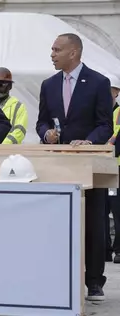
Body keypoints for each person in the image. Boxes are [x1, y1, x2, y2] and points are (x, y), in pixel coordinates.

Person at [36, 33, 113, 301]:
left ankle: (94, 282)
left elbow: (106, 124)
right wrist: (47, 134)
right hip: (58, 164)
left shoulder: (98, 83)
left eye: (57, 49)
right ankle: (60, 277)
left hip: (88, 163)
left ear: (74, 52)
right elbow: (41, 122)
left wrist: (89, 141)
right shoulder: (48, 85)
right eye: (52, 49)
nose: (52, 54)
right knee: (59, 223)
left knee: (93, 222)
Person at [0, 67, 28, 144]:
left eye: (0, 85)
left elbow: (19, 131)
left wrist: (2, 145)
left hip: (9, 151)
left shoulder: (18, 107)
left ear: (10, 86)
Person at [105, 74, 120, 263]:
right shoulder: (100, 111)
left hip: (116, 168)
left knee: (117, 211)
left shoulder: (118, 112)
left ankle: (118, 250)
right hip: (103, 166)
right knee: (102, 211)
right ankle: (105, 250)